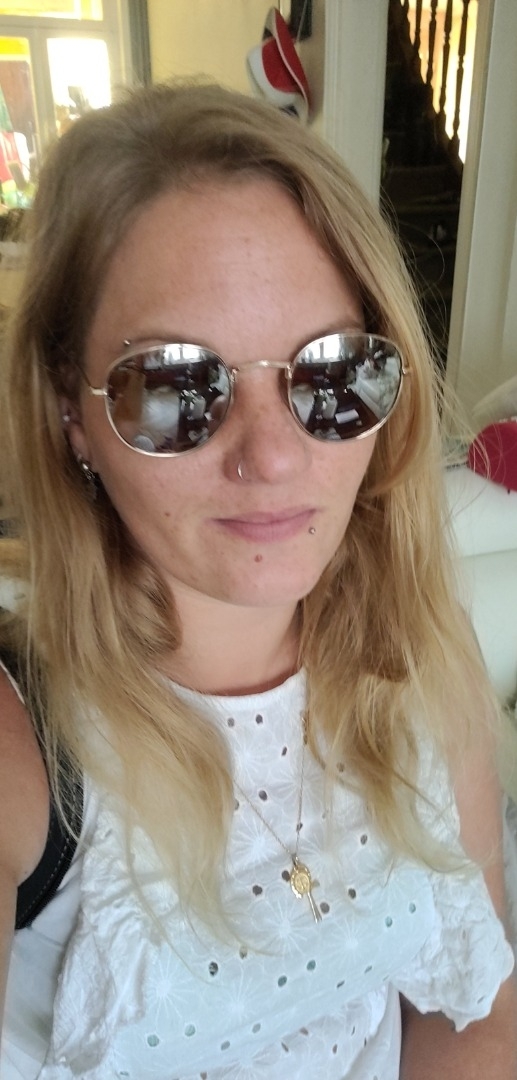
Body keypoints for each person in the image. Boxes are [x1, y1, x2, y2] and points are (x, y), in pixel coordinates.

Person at [0, 81, 515, 1080]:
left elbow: (474, 1004)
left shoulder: (415, 647)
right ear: (72, 413)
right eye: (174, 386)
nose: (273, 456)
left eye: (332, 372)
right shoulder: (28, 750)